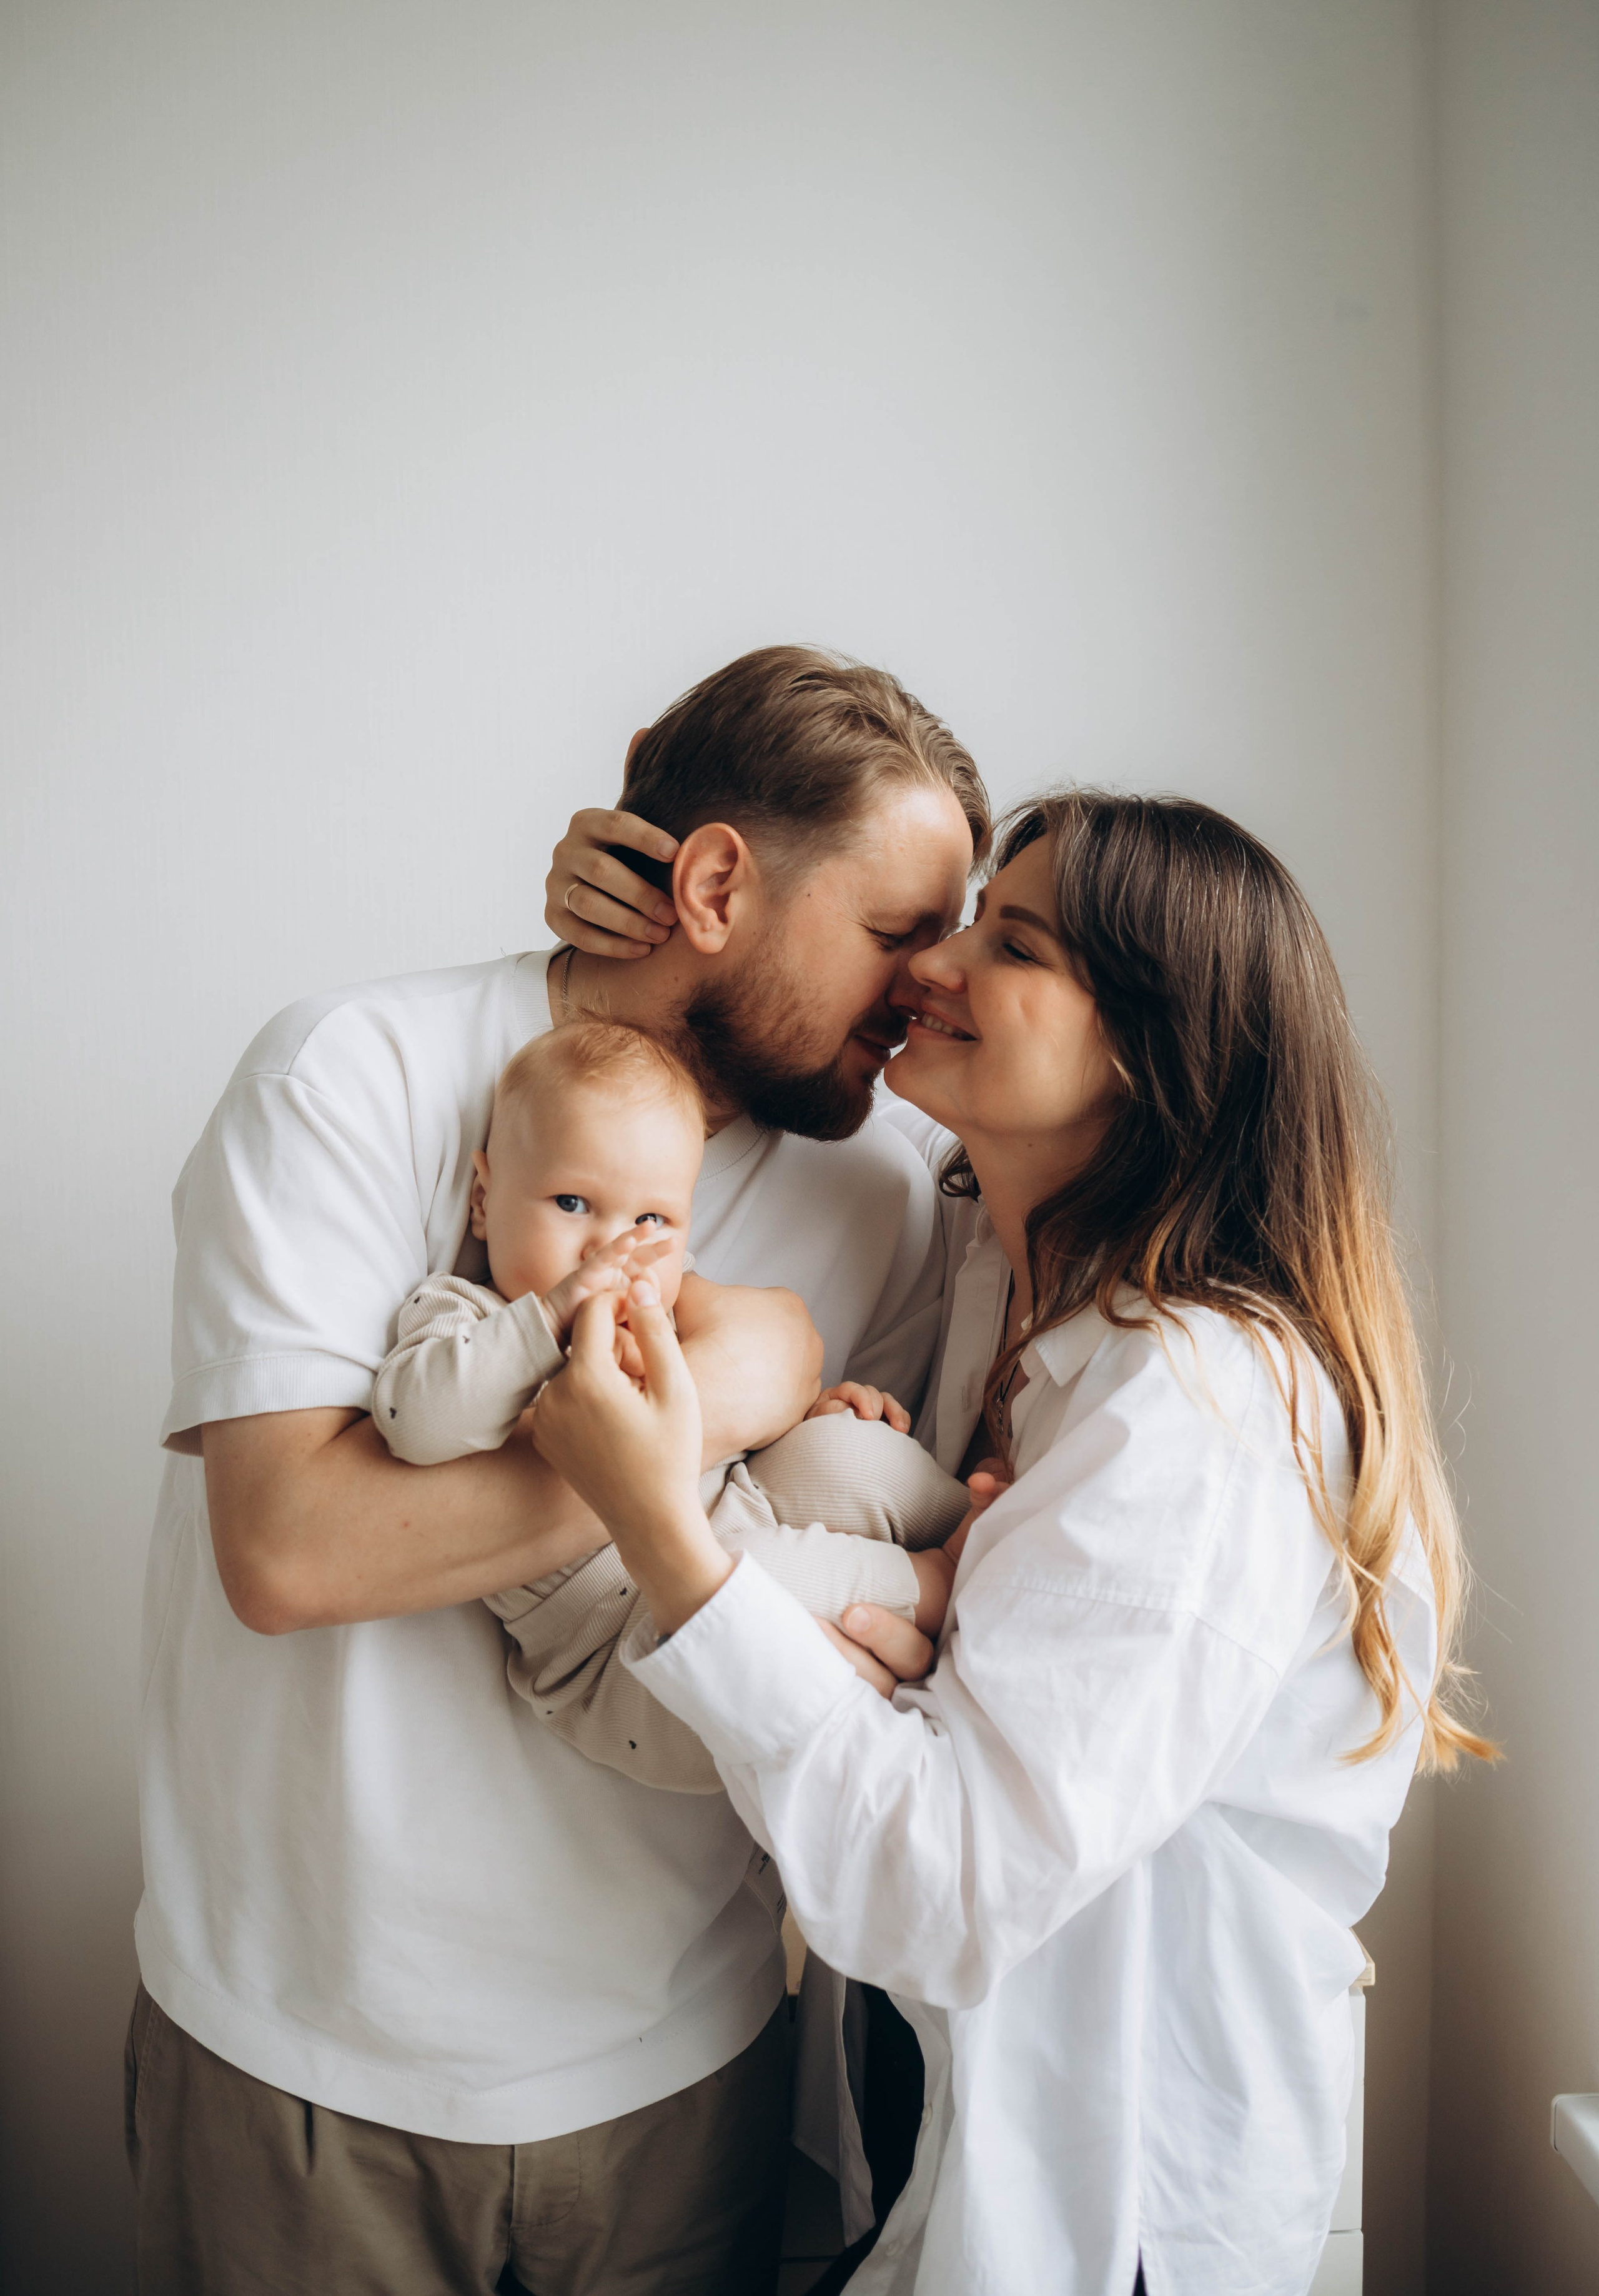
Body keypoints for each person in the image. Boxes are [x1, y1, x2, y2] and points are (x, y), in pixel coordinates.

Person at [530, 788, 1495, 2296]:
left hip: (1106, 2200)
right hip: (922, 2116)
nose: (932, 963)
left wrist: (663, 1533)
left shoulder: (1196, 1408)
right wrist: (627, 934)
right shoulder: (990, 1263)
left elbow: (945, 1885)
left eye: (1013, 944)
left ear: (1151, 1046)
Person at [126, 645, 985, 2295]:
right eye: (896, 929)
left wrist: (776, 1408)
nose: (927, 981)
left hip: (690, 2063)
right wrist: (716, 1399)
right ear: (715, 886)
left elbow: (831, 1618)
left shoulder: (886, 1194)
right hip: (306, 2070)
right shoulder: (355, 1073)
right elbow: (288, 1550)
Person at [374, 1014, 969, 1791]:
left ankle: (975, 1522)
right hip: (623, 1654)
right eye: (571, 1202)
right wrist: (545, 1322)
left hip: (735, 1512)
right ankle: (941, 1581)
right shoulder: (468, 1315)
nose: (608, 1249)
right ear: (484, 1200)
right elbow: (415, 1424)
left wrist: (814, 1418)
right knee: (753, 1581)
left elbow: (746, 1417)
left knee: (845, 1453)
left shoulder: (677, 1304)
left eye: (650, 1220)